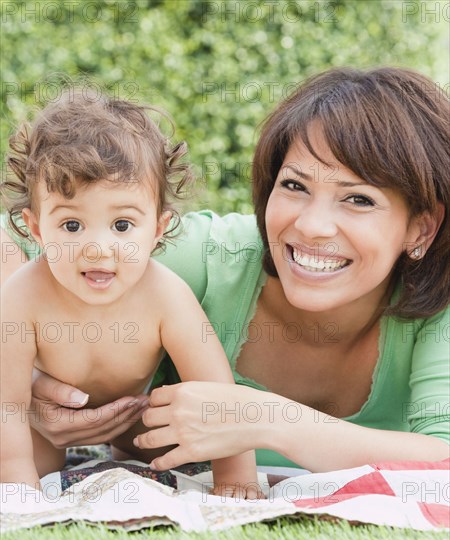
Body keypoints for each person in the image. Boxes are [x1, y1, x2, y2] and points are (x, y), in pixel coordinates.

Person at [2, 67, 449, 473]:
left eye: (359, 199)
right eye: (294, 185)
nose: (311, 226)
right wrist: (32, 382)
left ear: (421, 228)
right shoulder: (200, 260)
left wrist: (268, 420)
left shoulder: (438, 308)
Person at [0, 90, 260, 496]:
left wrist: (236, 479)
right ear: (36, 229)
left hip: (136, 417)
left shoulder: (165, 294)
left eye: (122, 225)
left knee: (171, 443)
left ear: (157, 229)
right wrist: (17, 486)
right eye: (72, 226)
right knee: (27, 461)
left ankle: (126, 452)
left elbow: (217, 391)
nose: (98, 248)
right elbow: (9, 405)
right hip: (48, 426)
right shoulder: (20, 297)